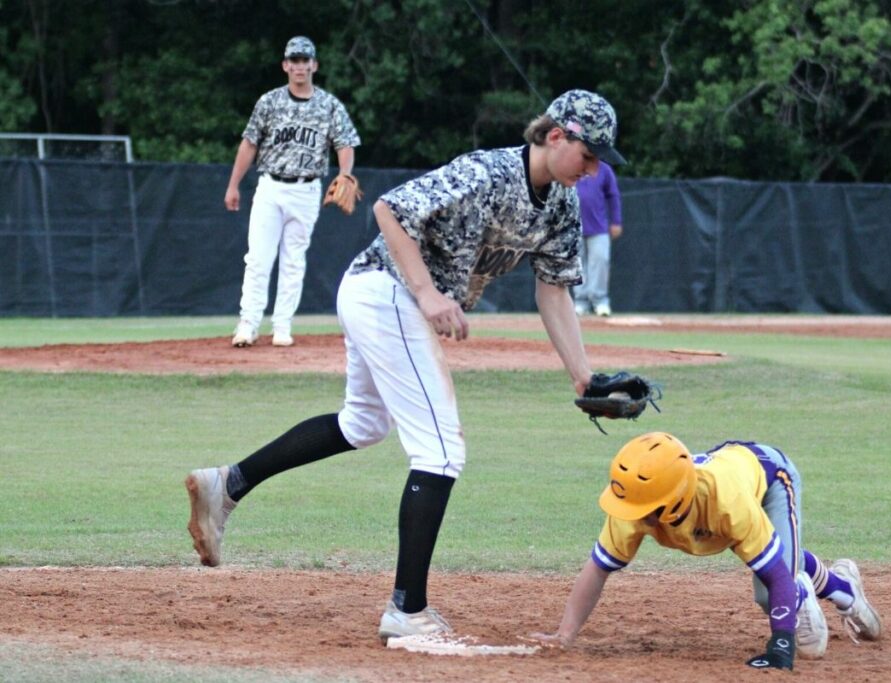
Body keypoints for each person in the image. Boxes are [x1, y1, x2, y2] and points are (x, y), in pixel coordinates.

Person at [185, 89, 627, 642]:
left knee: (362, 424)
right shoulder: (486, 172)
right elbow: (388, 208)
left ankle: (226, 484)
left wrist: (583, 376)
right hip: (385, 291)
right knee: (441, 451)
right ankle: (406, 609)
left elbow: (554, 292)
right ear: (556, 135)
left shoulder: (562, 205)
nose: (593, 169)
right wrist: (429, 294)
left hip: (386, 299)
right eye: (589, 155)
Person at [533, 433, 882, 670]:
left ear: (673, 502)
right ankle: (829, 577)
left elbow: (775, 575)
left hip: (771, 479)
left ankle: (844, 594)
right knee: (772, 552)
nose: (632, 516)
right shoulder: (634, 507)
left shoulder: (725, 501)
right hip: (730, 488)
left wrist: (781, 642)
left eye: (643, 508)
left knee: (772, 596)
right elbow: (597, 569)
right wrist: (564, 635)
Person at [226, 36, 361, 348]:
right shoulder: (269, 102)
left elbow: (345, 142)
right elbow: (249, 143)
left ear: (314, 65)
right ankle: (248, 323)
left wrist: (344, 175)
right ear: (285, 65)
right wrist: (233, 184)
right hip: (271, 186)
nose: (300, 66)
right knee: (258, 258)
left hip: (306, 189)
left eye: (305, 60)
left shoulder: (329, 105)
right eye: (294, 60)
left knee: (293, 260)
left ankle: (282, 326)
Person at [573, 160, 622, 317]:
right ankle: (581, 302)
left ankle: (600, 301)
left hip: (599, 226)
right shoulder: (572, 165)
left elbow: (613, 195)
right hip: (573, 226)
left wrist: (616, 221)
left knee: (601, 261)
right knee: (577, 265)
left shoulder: (604, 170)